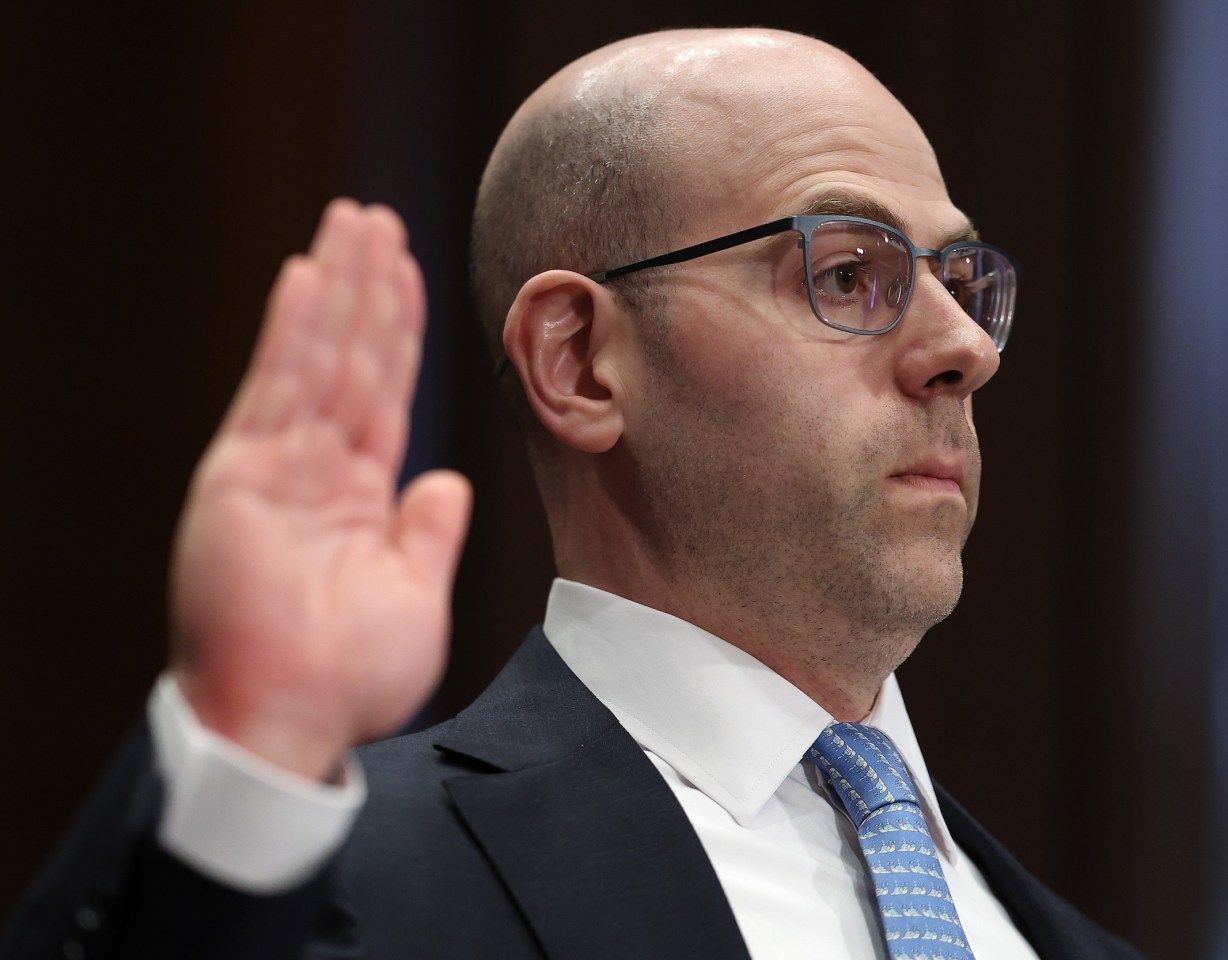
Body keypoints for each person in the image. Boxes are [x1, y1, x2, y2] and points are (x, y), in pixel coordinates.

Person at [2, 27, 1143, 960]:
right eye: (849, 273)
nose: (964, 349)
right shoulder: (326, 885)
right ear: (581, 360)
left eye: (958, 280)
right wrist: (251, 750)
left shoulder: (1074, 944)